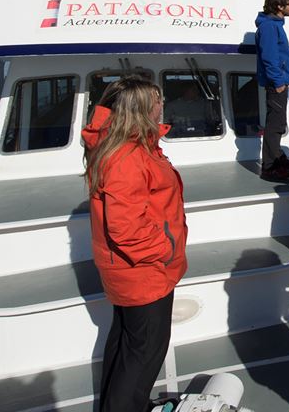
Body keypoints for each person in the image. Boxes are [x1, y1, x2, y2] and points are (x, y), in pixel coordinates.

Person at [82, 76, 188, 412]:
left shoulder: (122, 146)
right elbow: (126, 230)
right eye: (158, 100)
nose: (162, 106)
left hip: (131, 271)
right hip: (145, 272)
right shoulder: (128, 157)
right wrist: (166, 249)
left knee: (127, 343)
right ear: (143, 109)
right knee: (144, 353)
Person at [255, 0, 289, 181]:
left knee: (279, 124)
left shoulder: (275, 26)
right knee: (274, 126)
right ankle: (269, 167)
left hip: (280, 81)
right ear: (279, 7)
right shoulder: (268, 27)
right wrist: (278, 81)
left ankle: (278, 158)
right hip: (276, 84)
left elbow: (280, 57)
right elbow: (269, 58)